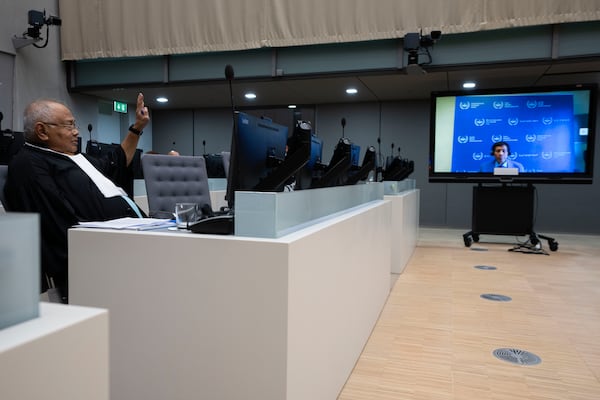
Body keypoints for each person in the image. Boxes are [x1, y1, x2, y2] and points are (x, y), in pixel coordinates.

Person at [3, 93, 150, 303]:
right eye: (69, 126)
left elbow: (116, 162)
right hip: (102, 257)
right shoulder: (29, 165)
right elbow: (58, 226)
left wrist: (137, 127)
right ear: (42, 131)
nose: (76, 132)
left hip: (134, 239)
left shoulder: (75, 158)